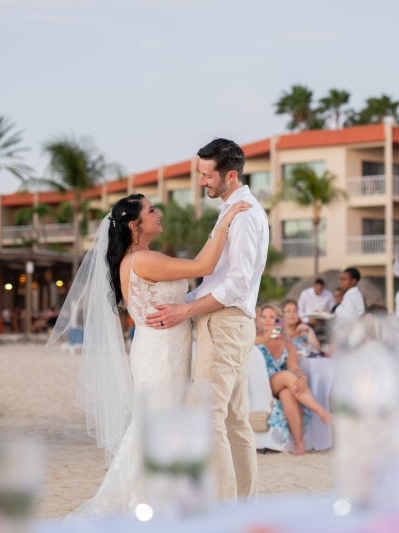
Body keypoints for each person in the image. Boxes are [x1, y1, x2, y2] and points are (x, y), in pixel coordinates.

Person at [55, 188, 251, 518]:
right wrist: (226, 220)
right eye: (151, 210)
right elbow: (204, 264)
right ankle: (150, 503)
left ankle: (160, 498)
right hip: (162, 352)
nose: (158, 213)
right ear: (135, 225)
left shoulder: (136, 259)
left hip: (158, 346)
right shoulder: (143, 260)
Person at [145, 138, 269, 501]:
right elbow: (214, 273)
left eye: (206, 174)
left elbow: (237, 283)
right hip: (229, 322)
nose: (201, 182)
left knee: (209, 418)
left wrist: (185, 310)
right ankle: (243, 504)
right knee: (233, 419)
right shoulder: (234, 209)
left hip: (225, 322)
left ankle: (224, 511)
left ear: (231, 175)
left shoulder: (244, 214)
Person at [255, 303, 333, 455]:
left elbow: (294, 368)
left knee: (287, 393)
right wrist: (265, 337)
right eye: (264, 317)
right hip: (261, 383)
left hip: (283, 383)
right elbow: (243, 345)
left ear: (279, 320)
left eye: (272, 317)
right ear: (259, 320)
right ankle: (322, 412)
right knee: (286, 376)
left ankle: (299, 444)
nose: (268, 320)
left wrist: (302, 378)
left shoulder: (287, 343)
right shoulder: (254, 337)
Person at [333, 268, 365, 332]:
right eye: (340, 279)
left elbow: (349, 322)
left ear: (353, 281)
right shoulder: (351, 295)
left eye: (344, 280)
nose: (341, 282)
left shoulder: (351, 298)